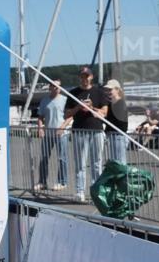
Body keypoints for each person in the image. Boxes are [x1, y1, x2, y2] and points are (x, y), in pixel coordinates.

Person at [62, 66, 108, 202]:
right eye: (82, 76)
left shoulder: (99, 93)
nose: (84, 79)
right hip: (79, 131)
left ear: (91, 77)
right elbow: (66, 114)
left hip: (97, 131)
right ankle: (79, 191)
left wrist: (91, 107)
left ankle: (96, 192)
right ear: (79, 78)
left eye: (87, 76)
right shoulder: (73, 93)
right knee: (80, 163)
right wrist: (78, 107)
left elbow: (104, 112)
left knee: (96, 163)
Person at [35, 79, 68, 191]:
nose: (56, 88)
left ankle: (62, 181)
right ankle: (42, 182)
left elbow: (70, 116)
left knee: (62, 158)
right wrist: (40, 129)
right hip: (48, 134)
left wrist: (62, 127)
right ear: (50, 87)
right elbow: (40, 117)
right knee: (43, 158)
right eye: (53, 86)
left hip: (61, 134)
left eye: (58, 86)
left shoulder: (65, 100)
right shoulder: (44, 100)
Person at [103, 79, 129, 164]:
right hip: (112, 135)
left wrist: (103, 117)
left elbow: (119, 122)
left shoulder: (120, 103)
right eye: (107, 90)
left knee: (120, 162)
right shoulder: (111, 103)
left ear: (117, 90)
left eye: (110, 90)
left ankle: (123, 177)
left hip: (119, 136)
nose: (108, 92)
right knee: (115, 162)